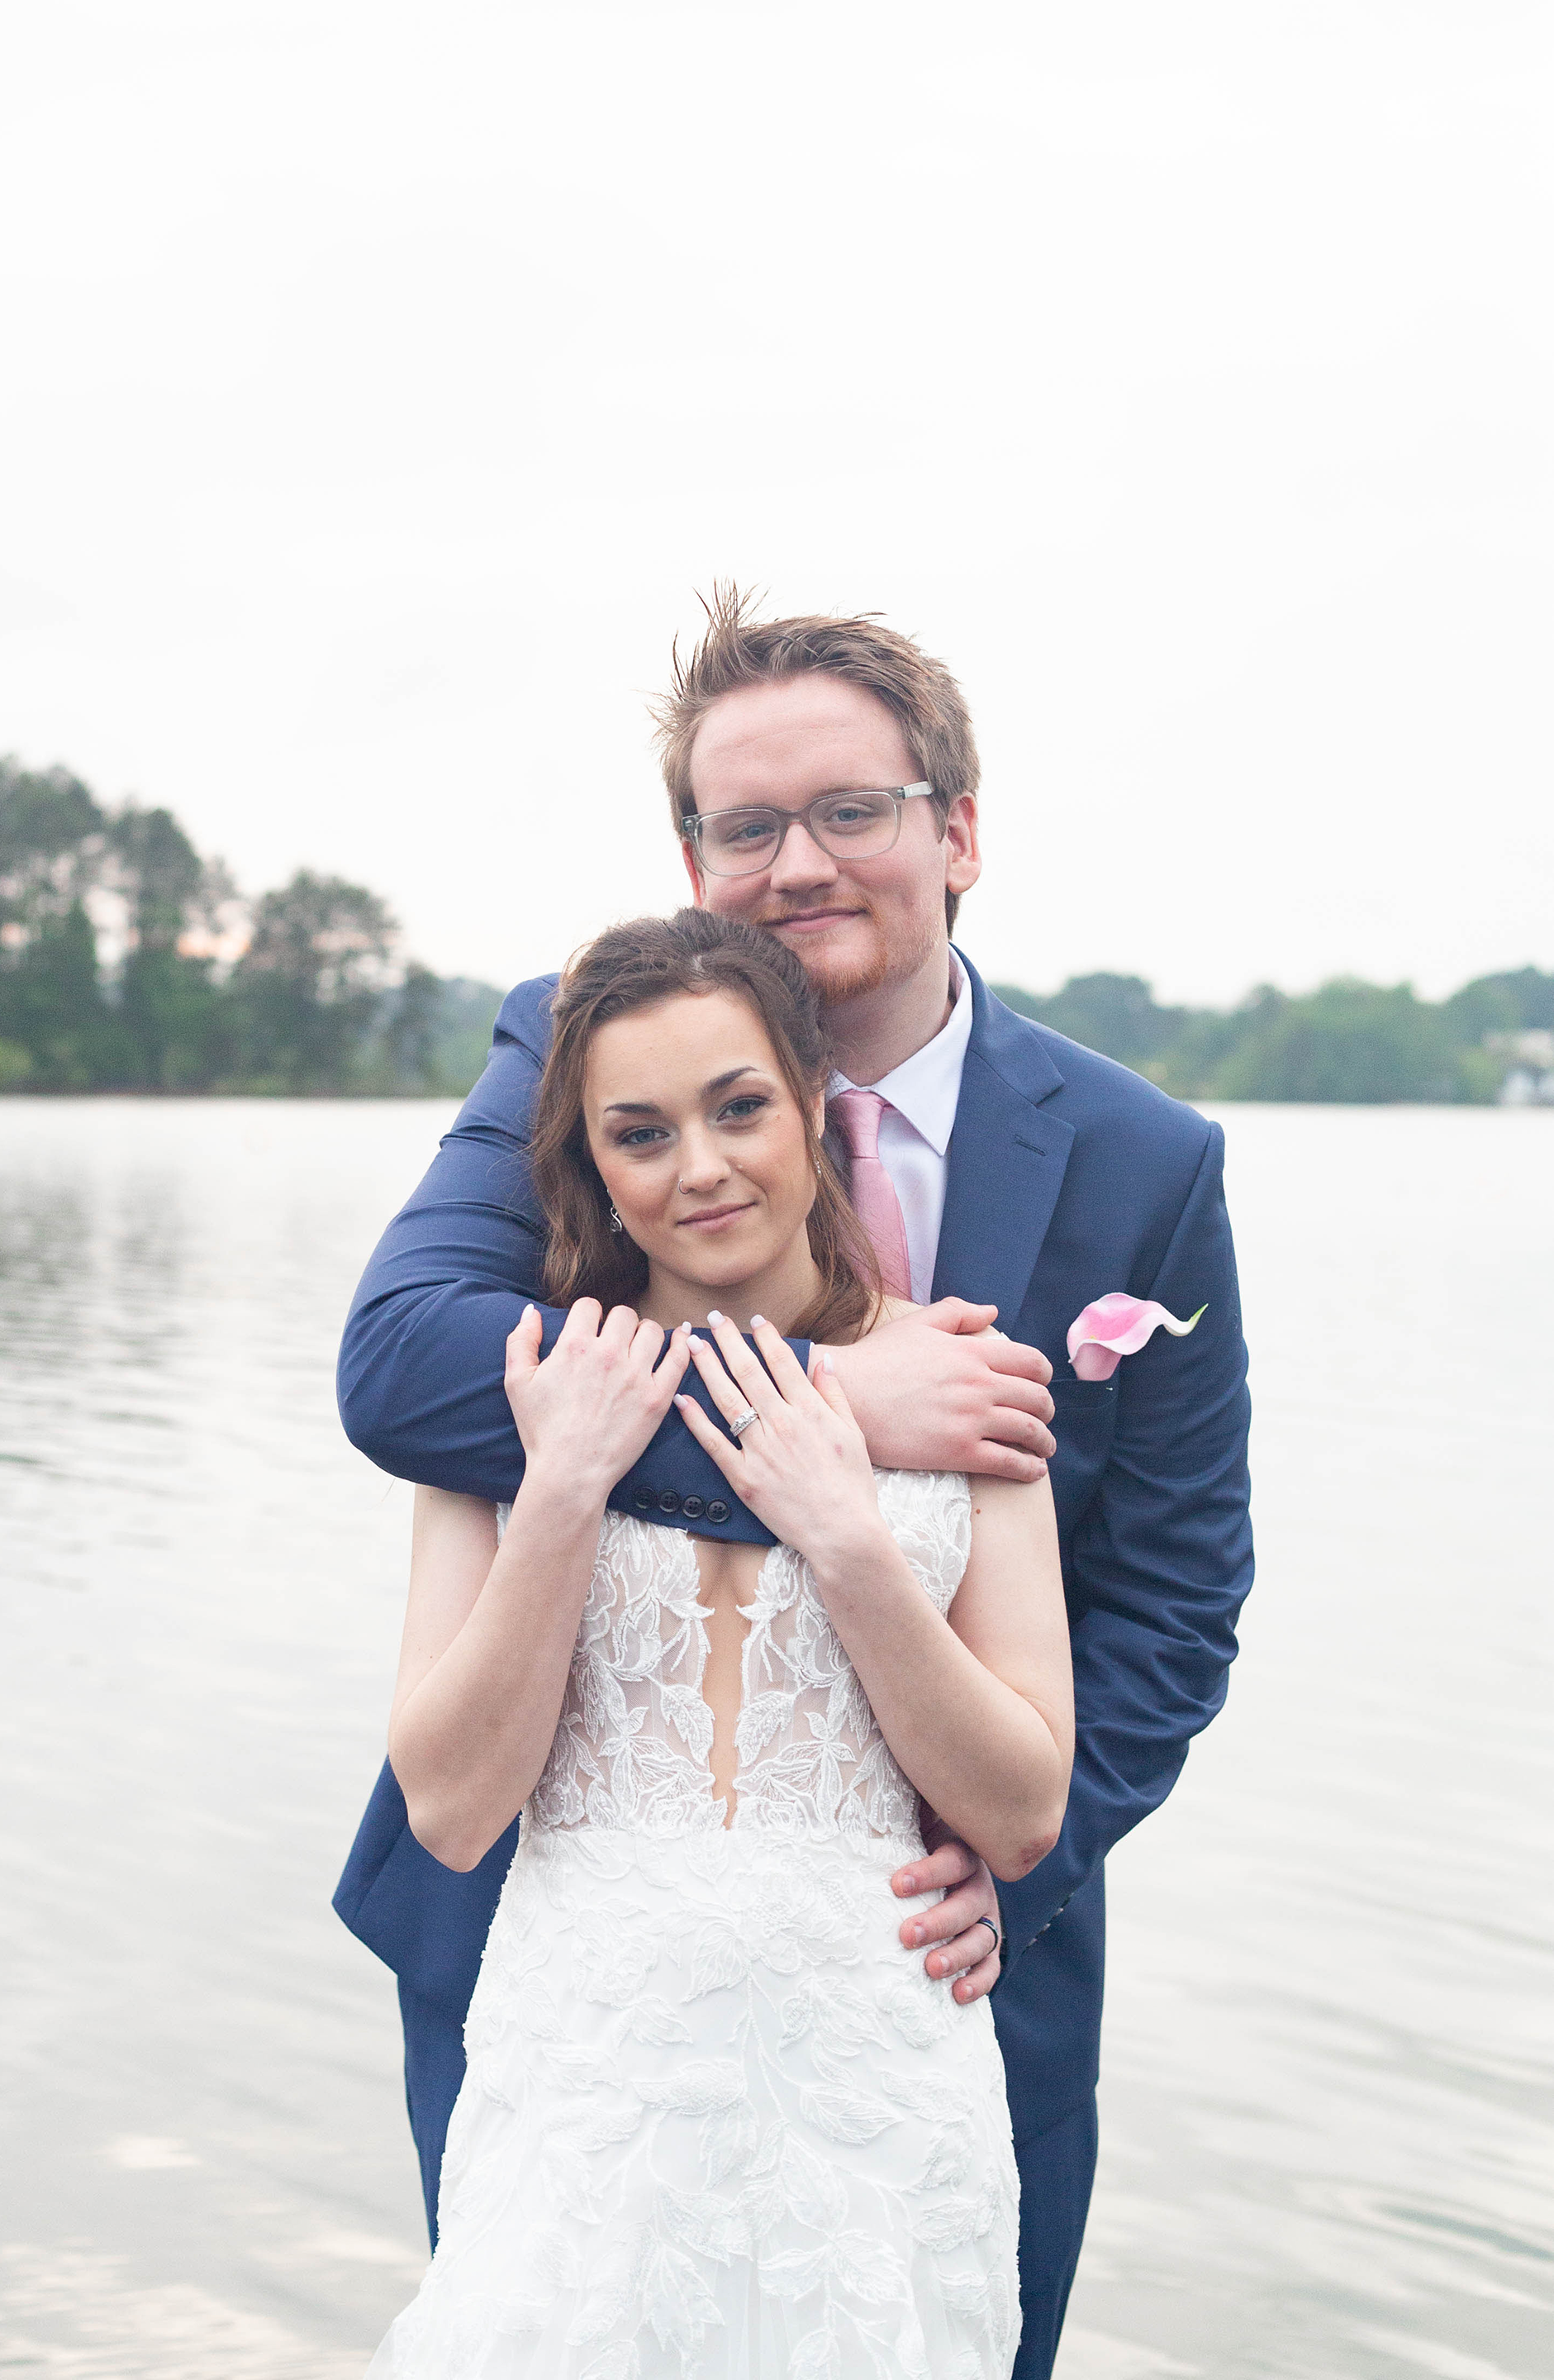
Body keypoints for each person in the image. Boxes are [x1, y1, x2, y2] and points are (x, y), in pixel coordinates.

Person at [335, 592, 1253, 2376]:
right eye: (743, 826)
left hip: (930, 1991)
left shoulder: (1145, 1161)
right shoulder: (579, 1046)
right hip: (569, 1975)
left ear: (956, 829)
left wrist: (1018, 1867)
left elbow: (1175, 1590)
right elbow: (403, 1364)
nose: (798, 863)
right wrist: (831, 1402)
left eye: (851, 809)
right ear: (688, 859)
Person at [367, 910, 1074, 2376]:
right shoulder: (514, 1394)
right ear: (592, 1168)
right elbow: (448, 1808)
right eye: (639, 1133)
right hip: (590, 2090)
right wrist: (560, 1492)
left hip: (874, 2101)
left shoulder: (955, 1390)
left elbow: (1020, 1808)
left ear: (813, 1108)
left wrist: (852, 1542)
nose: (699, 1167)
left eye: (740, 1107)